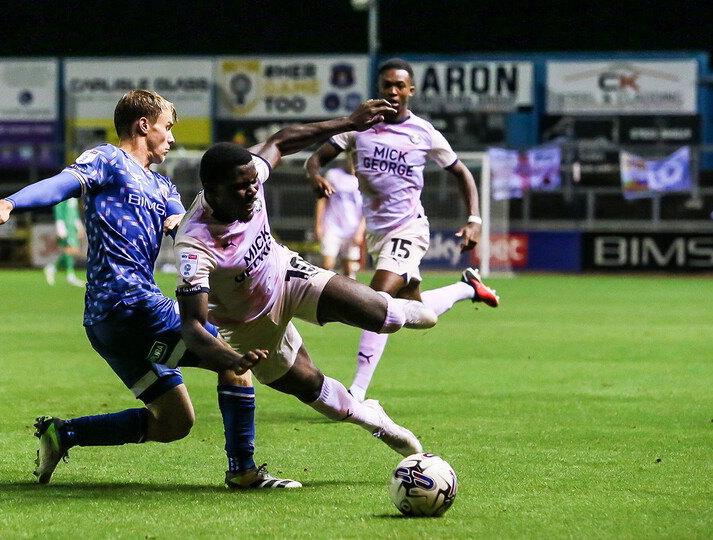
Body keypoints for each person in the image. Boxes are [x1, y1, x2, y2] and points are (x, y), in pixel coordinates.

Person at [0, 89, 299, 489]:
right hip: (133, 305)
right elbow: (62, 183)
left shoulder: (164, 189)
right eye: (168, 127)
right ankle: (243, 471)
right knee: (233, 363)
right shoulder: (109, 160)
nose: (172, 138)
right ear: (144, 125)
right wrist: (10, 202)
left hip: (108, 325)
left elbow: (190, 227)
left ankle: (64, 434)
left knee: (175, 422)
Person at [173, 99, 437, 466]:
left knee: (382, 314)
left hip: (286, 275)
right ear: (212, 190)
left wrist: (349, 123)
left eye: (254, 183)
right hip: (250, 327)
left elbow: (281, 141)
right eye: (241, 188)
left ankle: (414, 306)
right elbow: (193, 325)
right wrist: (233, 358)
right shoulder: (194, 244)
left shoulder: (248, 177)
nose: (252, 192)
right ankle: (374, 419)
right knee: (317, 392)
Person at [304, 58, 500, 403]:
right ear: (379, 89)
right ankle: (466, 288)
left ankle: (357, 393)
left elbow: (461, 173)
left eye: (399, 86)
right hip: (379, 234)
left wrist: (475, 219)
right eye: (387, 85)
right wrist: (315, 175)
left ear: (410, 90)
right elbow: (316, 158)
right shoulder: (359, 128)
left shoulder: (423, 133)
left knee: (375, 301)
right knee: (417, 311)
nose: (393, 91)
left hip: (408, 228)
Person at [314, 152, 364, 279]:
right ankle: (322, 294)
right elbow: (322, 199)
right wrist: (318, 225)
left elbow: (367, 208)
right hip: (332, 227)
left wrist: (360, 231)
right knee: (327, 265)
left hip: (352, 230)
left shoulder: (364, 179)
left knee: (348, 269)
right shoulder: (333, 175)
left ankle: (348, 297)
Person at [43, 198, 86, 287]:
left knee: (73, 251)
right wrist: (60, 225)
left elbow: (74, 211)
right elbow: (58, 208)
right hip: (66, 225)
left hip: (72, 226)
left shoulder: (74, 196)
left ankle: (52, 267)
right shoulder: (65, 195)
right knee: (70, 249)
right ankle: (70, 275)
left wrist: (78, 226)